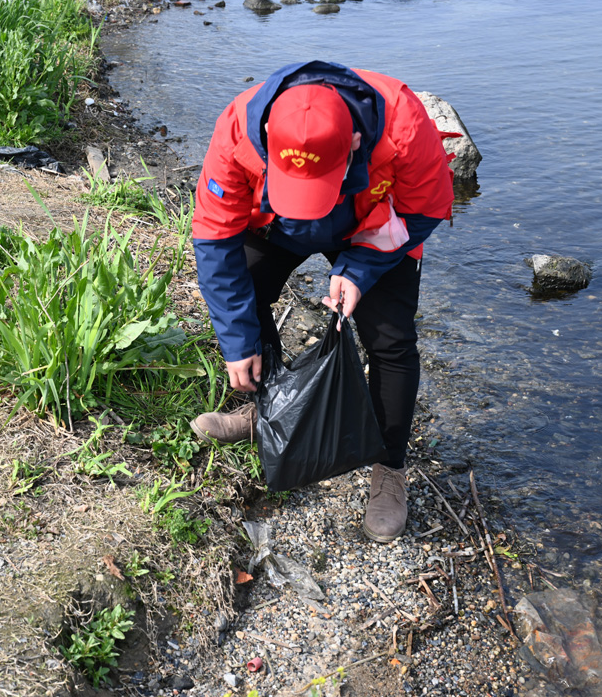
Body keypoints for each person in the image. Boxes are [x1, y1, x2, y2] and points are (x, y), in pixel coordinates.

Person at [189, 60, 454, 542]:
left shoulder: (405, 123)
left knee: (391, 339)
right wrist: (237, 342)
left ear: (354, 142)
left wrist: (360, 266)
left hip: (371, 225)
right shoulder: (239, 128)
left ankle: (390, 467)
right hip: (276, 224)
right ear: (267, 137)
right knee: (245, 292)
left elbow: (426, 207)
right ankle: (268, 412)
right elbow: (214, 236)